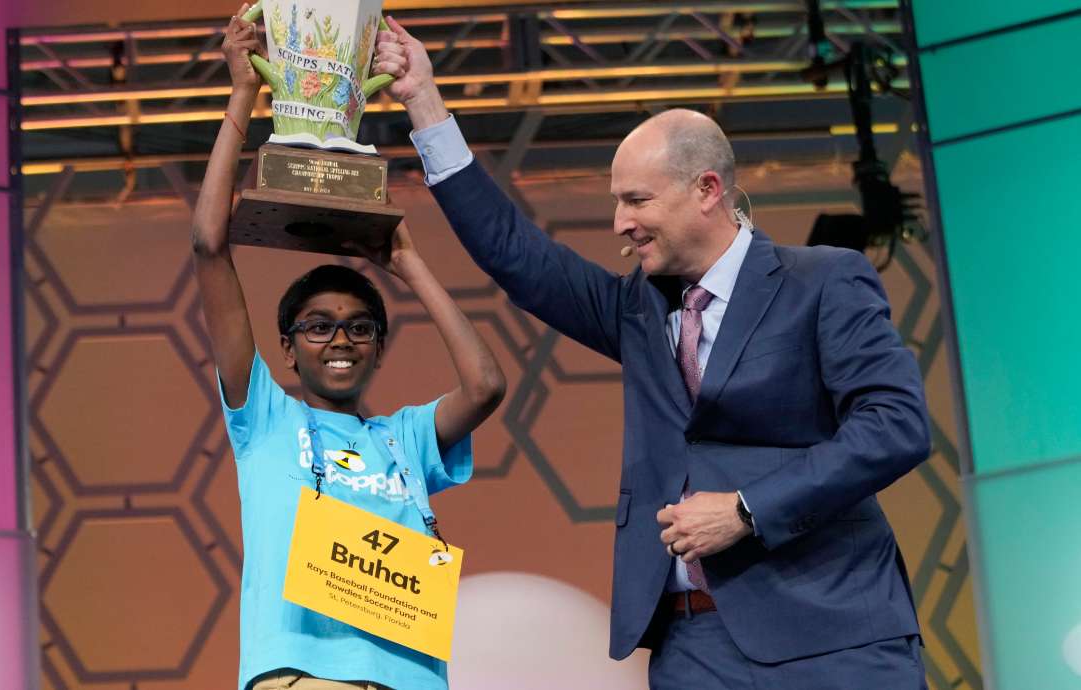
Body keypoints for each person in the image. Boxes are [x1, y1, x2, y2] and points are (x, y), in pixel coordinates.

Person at [373, 16, 931, 689]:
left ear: (707, 190)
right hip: (694, 646)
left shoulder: (822, 281)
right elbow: (513, 252)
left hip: (832, 635)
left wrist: (747, 508)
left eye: (637, 200)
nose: (621, 223)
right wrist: (424, 101)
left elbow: (896, 426)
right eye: (617, 203)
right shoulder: (634, 311)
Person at [193, 8, 506, 690]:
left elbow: (485, 386)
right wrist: (243, 93)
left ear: (379, 348)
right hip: (301, 678)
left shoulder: (406, 438)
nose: (340, 339)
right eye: (319, 327)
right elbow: (209, 246)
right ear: (287, 349)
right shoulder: (264, 418)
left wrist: (409, 263)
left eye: (360, 328)